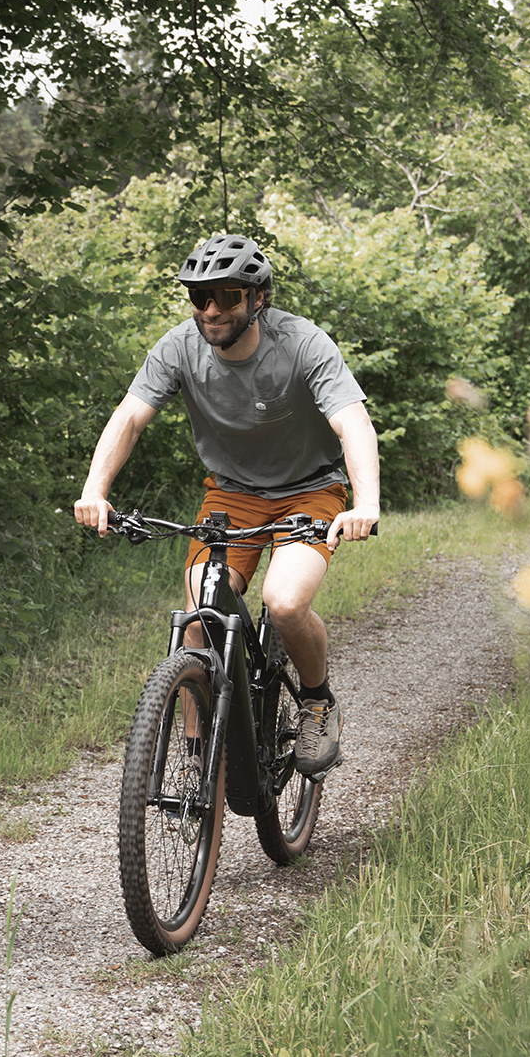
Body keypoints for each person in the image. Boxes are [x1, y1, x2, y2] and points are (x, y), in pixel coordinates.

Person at [72, 234, 379, 774]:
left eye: (228, 297)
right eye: (200, 298)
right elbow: (130, 417)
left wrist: (366, 503)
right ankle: (197, 759)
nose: (211, 311)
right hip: (231, 496)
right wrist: (95, 489)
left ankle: (315, 700)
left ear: (258, 298)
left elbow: (353, 424)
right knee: (198, 617)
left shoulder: (303, 344)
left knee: (284, 603)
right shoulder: (177, 348)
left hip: (310, 491)